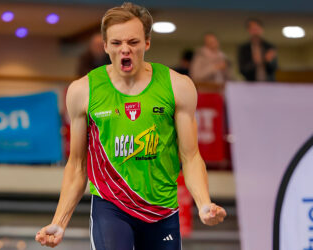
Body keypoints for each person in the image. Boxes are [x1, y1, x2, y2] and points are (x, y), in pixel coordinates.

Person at [35, 3, 226, 249]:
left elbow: (190, 157)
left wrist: (204, 204)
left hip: (162, 210)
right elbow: (77, 164)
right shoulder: (83, 91)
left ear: (147, 43)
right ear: (105, 45)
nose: (125, 49)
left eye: (133, 42)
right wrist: (59, 221)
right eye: (116, 43)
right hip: (111, 206)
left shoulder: (178, 86)